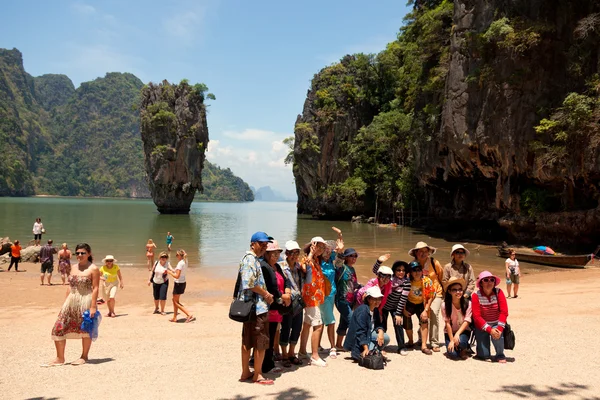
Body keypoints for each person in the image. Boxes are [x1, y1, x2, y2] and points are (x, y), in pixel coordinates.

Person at [45, 243, 100, 366]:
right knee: (58, 328)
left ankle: (84, 356)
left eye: (83, 253)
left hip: (86, 299)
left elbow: (95, 288)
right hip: (71, 299)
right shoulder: (72, 267)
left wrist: (93, 306)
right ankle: (60, 358)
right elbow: (70, 287)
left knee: (86, 329)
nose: (80, 255)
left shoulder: (93, 269)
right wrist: (65, 302)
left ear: (89, 254)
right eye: (78, 253)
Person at [238, 232, 274, 385]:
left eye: (266, 244)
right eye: (261, 243)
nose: (264, 246)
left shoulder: (254, 260)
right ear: (253, 243)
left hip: (251, 307)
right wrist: (266, 294)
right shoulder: (250, 260)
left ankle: (246, 372)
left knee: (248, 340)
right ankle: (257, 374)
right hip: (256, 307)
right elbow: (249, 283)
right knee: (260, 341)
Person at [260, 240, 291, 372]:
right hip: (270, 306)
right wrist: (283, 296)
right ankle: (266, 365)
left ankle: (268, 362)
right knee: (269, 336)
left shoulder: (277, 267)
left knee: (272, 335)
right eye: (273, 253)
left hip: (278, 306)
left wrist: (288, 292)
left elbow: (286, 281)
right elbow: (270, 288)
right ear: (266, 254)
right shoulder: (264, 267)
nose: (276, 255)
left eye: (278, 253)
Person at [298, 236, 328, 367]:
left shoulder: (317, 260)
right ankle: (315, 356)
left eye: (322, 247)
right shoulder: (307, 258)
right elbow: (303, 268)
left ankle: (302, 352)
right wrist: (311, 252)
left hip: (315, 297)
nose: (320, 249)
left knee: (307, 325)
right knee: (318, 325)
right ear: (311, 246)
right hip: (311, 298)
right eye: (318, 246)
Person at [372, 255, 411, 355]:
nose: (401, 272)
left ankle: (401, 347)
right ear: (394, 271)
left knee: (398, 324)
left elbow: (403, 299)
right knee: (381, 326)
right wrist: (379, 261)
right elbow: (376, 271)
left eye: (403, 270)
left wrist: (398, 314)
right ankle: (380, 346)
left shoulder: (407, 283)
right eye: (398, 270)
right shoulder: (389, 278)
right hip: (383, 307)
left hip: (395, 307)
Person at [409, 241, 444, 352]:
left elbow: (442, 277)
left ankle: (434, 342)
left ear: (429, 252)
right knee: (422, 314)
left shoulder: (434, 263)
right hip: (420, 294)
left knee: (433, 312)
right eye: (420, 251)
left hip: (435, 293)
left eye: (425, 251)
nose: (423, 253)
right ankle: (421, 339)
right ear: (416, 253)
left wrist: (446, 293)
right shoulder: (412, 264)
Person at [343, 286, 390, 362]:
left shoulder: (375, 310)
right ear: (368, 299)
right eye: (375, 299)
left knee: (385, 338)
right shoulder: (363, 311)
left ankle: (375, 349)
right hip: (359, 338)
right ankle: (371, 349)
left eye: (379, 299)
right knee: (371, 354)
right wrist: (366, 348)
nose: (377, 301)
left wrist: (381, 332)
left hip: (369, 334)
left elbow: (378, 324)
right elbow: (360, 332)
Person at [472, 271, 509, 363]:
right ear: (481, 283)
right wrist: (489, 329)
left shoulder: (498, 292)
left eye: (492, 280)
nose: (489, 282)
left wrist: (499, 329)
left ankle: (500, 354)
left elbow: (504, 312)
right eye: (486, 280)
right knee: (484, 355)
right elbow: (477, 317)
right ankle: (483, 351)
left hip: (496, 322)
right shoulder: (476, 295)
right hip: (482, 325)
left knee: (497, 334)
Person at [319, 227, 344, 359]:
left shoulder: (332, 260)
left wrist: (340, 236)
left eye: (329, 249)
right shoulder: (317, 262)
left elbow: (340, 257)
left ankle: (322, 345)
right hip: (320, 295)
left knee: (325, 319)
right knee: (329, 320)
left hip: (331, 294)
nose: (328, 252)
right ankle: (332, 347)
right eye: (325, 249)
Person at [280, 240, 304, 366]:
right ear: (287, 253)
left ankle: (291, 353)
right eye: (292, 253)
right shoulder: (281, 266)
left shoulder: (299, 267)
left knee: (296, 328)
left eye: (296, 252)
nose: (294, 255)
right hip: (287, 301)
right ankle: (284, 354)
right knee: (285, 328)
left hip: (298, 302)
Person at [403, 261, 435, 355]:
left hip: (422, 303)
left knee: (424, 321)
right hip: (409, 303)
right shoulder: (406, 281)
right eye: (414, 270)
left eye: (418, 270)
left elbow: (431, 296)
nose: (417, 272)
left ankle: (424, 345)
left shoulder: (427, 281)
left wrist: (426, 310)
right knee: (407, 321)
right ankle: (411, 341)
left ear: (422, 271)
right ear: (410, 272)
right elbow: (402, 296)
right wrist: (404, 310)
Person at [334, 247, 360, 351]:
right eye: (351, 256)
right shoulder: (342, 267)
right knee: (352, 321)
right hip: (341, 300)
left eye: (355, 256)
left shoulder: (352, 269)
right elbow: (337, 262)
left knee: (344, 322)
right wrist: (340, 250)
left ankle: (338, 345)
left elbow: (354, 284)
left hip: (350, 300)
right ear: (346, 257)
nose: (354, 258)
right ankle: (354, 346)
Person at [441, 277, 472, 360]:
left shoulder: (468, 303)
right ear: (449, 291)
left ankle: (463, 347)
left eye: (460, 289)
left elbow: (467, 321)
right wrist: (452, 340)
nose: (458, 292)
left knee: (461, 342)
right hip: (450, 332)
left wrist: (457, 334)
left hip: (463, 331)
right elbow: (447, 323)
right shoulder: (445, 305)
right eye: (454, 290)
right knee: (453, 355)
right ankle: (460, 346)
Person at [166, 249, 194, 323]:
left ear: (179, 255)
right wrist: (170, 268)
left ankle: (189, 314)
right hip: (182, 282)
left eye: (176, 255)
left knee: (175, 302)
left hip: (178, 283)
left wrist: (169, 272)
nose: (176, 256)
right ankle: (174, 317)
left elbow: (177, 276)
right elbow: (177, 271)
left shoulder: (180, 263)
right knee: (175, 301)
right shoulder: (185, 261)